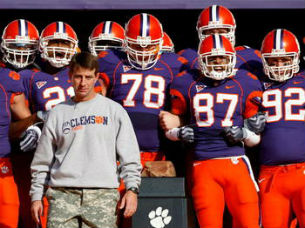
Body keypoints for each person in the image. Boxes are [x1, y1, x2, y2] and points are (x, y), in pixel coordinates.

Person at [30, 52, 141, 228]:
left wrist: (132, 189)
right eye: (78, 77)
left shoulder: (114, 111)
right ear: (70, 77)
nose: (83, 83)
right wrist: (36, 197)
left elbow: (130, 157)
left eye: (88, 77)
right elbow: (42, 161)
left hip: (102, 196)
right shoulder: (57, 113)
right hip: (62, 195)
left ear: (97, 76)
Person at [165, 35, 262, 228]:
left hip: (235, 162)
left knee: (248, 221)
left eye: (223, 58)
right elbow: (171, 128)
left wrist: (243, 133)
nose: (218, 63)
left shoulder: (245, 82)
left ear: (231, 59)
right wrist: (179, 133)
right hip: (203, 165)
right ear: (202, 61)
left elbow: (255, 140)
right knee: (209, 222)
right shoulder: (187, 83)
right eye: (212, 58)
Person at [258, 29, 305, 228]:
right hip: (270, 175)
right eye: (273, 60)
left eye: (285, 60)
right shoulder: (254, 83)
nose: (279, 66)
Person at [0, 64, 41, 228]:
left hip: (2, 162)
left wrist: (35, 127)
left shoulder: (7, 79)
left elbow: (26, 118)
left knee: (8, 215)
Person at [178, 5, 264, 78]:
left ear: (232, 31)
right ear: (200, 33)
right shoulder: (187, 56)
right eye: (210, 32)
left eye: (221, 32)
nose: (216, 36)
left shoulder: (250, 56)